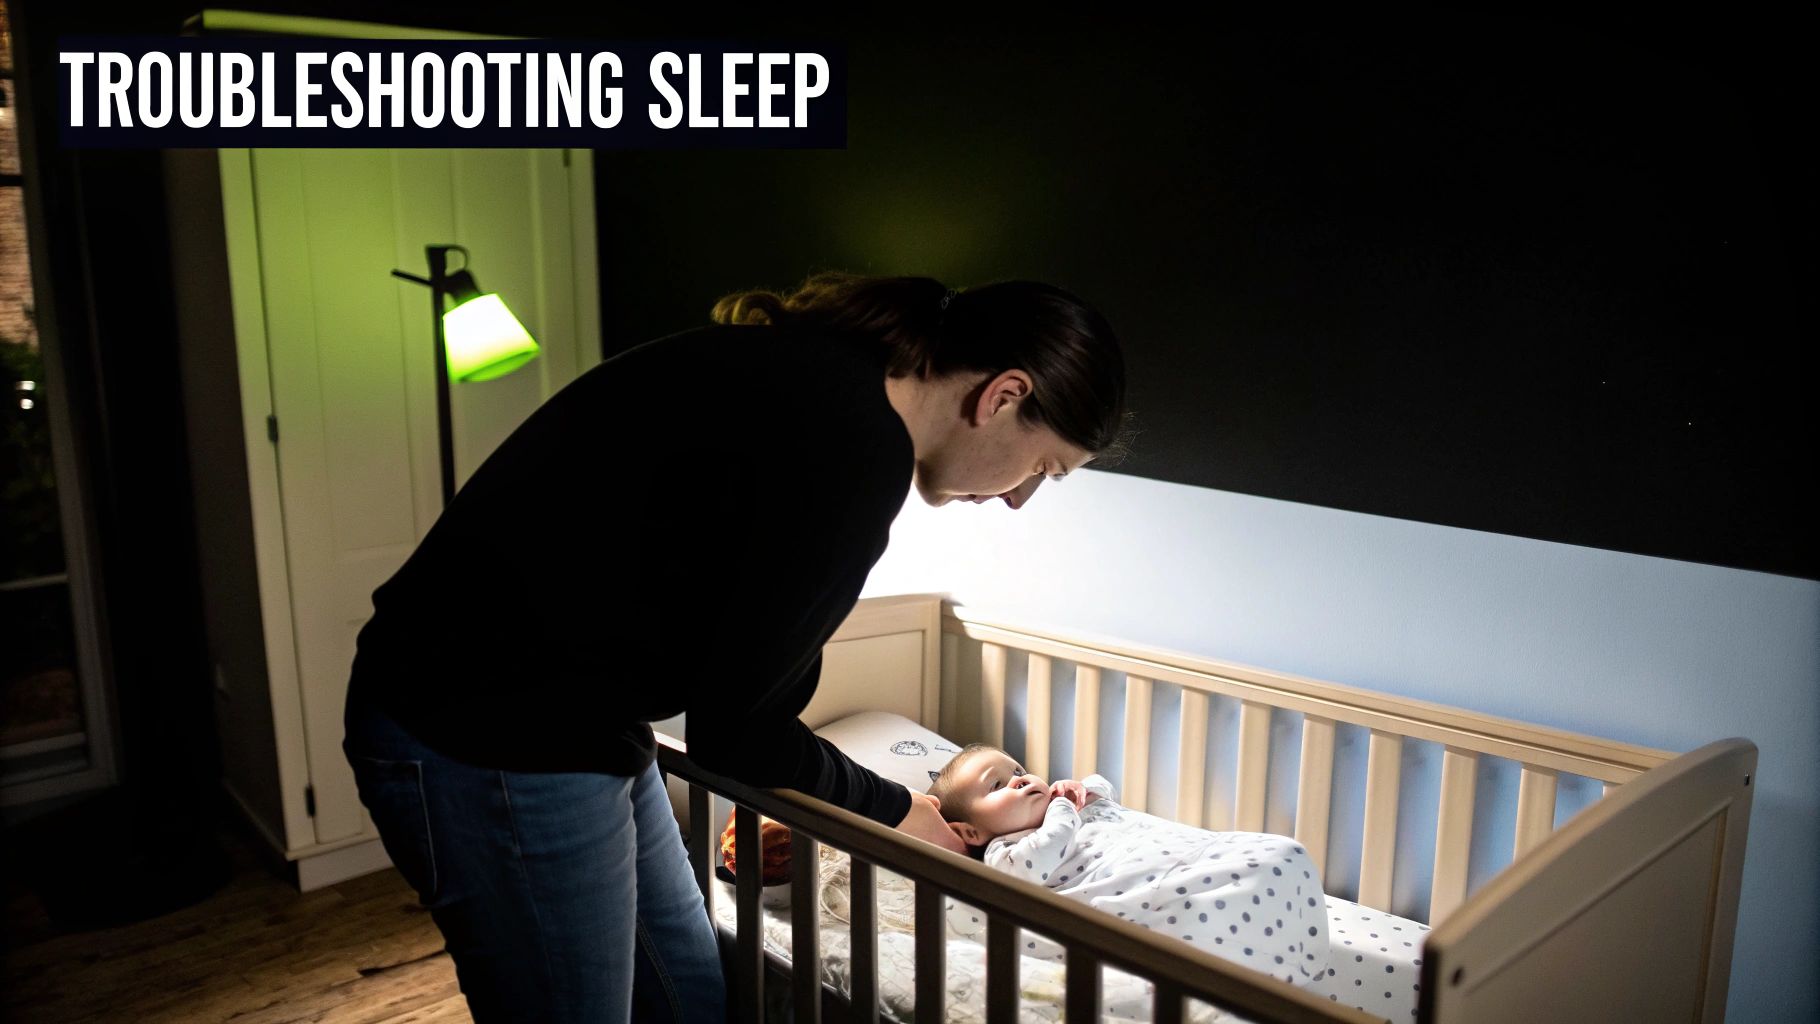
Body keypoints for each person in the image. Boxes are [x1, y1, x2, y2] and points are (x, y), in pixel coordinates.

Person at [341, 271, 1136, 1023]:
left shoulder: (826, 378)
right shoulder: (853, 438)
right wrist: (900, 811)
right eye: (1043, 467)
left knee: (686, 994)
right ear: (1003, 396)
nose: (1018, 499)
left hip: (582, 718)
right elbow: (740, 734)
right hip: (486, 730)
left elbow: (735, 654)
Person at [925, 743, 1331, 990]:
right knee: (1219, 902)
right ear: (971, 832)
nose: (1019, 779)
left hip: (1187, 856)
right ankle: (1249, 977)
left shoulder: (1071, 807)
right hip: (1155, 891)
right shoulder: (1006, 850)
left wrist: (1082, 789)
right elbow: (1034, 863)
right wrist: (1061, 809)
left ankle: (1264, 961)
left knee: (1281, 853)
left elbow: (1106, 793)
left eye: (1017, 769)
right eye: (996, 786)